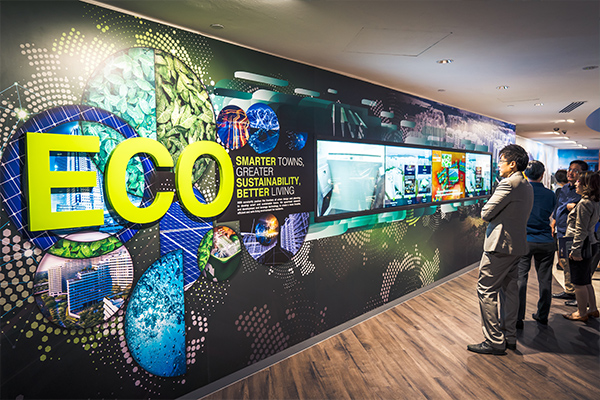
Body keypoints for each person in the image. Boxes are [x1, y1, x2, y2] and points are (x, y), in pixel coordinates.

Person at [467, 144, 533, 355]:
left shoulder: (508, 184)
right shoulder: (526, 184)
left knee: (486, 290)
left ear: (512, 164)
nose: (498, 166)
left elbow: (486, 213)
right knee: (509, 290)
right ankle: (509, 337)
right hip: (516, 245)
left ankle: (494, 340)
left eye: (501, 161)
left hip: (499, 245)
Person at [516, 161, 556, 327]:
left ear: (525, 174)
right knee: (545, 280)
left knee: (520, 279)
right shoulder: (551, 194)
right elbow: (551, 213)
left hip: (525, 240)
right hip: (546, 241)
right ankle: (543, 315)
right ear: (542, 175)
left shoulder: (521, 191)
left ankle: (518, 318)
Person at [563, 171, 600, 322]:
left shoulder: (585, 203)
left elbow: (580, 230)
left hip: (581, 244)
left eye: (580, 182)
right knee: (586, 280)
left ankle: (581, 312)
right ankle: (592, 309)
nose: (576, 184)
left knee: (578, 282)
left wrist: (576, 250)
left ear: (587, 185)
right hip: (590, 242)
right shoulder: (594, 201)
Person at [551, 160, 588, 305]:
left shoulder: (584, 191)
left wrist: (574, 207)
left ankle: (579, 297)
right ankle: (569, 290)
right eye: (569, 169)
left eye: (575, 170)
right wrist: (553, 223)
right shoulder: (564, 188)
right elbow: (558, 207)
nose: (570, 173)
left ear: (583, 174)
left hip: (573, 232)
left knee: (576, 266)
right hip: (561, 231)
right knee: (565, 262)